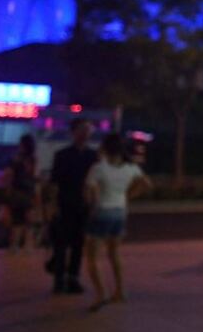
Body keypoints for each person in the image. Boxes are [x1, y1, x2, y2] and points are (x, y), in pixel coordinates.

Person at [83, 132, 151, 312]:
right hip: (120, 212)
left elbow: (90, 194)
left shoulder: (98, 168)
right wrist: (128, 196)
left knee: (92, 256)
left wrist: (93, 206)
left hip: (102, 212)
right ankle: (120, 290)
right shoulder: (131, 168)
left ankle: (101, 293)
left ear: (104, 148)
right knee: (114, 253)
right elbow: (146, 184)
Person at [47, 119, 99, 295]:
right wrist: (53, 206)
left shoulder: (93, 156)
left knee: (78, 243)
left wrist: (94, 205)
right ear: (73, 132)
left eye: (88, 129)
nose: (85, 133)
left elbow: (95, 185)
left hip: (83, 206)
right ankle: (59, 279)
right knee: (61, 244)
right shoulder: (62, 155)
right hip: (64, 204)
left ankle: (73, 278)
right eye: (82, 129)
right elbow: (54, 183)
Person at [4, 135, 39, 251]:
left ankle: (14, 245)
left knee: (17, 219)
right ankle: (27, 245)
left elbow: (9, 174)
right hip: (28, 191)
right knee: (29, 219)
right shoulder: (32, 159)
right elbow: (34, 176)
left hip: (17, 191)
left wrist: (8, 189)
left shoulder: (15, 158)